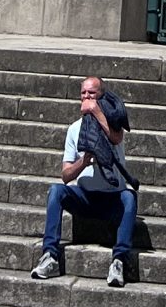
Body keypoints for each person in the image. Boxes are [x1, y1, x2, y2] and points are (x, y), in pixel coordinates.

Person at [31, 72, 136, 289]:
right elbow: (66, 175)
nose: (86, 96)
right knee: (56, 191)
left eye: (92, 93)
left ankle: (119, 261)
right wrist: (84, 161)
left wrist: (96, 111)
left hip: (112, 199)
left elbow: (116, 138)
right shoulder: (74, 129)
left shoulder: (113, 123)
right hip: (85, 198)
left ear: (101, 96)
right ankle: (50, 256)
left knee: (130, 196)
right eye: (83, 93)